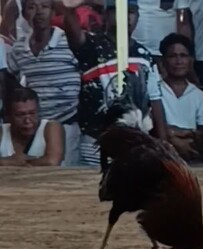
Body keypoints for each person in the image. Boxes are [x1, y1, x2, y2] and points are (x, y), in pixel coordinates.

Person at [62, 0, 168, 166]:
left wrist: (163, 144)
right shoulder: (91, 47)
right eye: (118, 11)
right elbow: (72, 31)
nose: (126, 16)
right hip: (95, 143)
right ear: (106, 15)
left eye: (131, 11)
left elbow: (155, 100)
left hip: (135, 145)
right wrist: (71, 9)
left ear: (138, 17)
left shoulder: (144, 55)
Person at [7, 0, 82, 165]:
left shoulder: (67, 41)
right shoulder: (19, 48)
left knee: (66, 179)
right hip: (35, 128)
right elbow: (10, 80)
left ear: (53, 12)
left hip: (66, 123)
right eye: (32, 7)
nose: (39, 12)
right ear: (25, 15)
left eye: (45, 6)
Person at [159, 33, 203, 162]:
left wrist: (186, 134)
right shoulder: (154, 91)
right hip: (161, 155)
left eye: (183, 56)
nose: (179, 61)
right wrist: (172, 140)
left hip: (191, 153)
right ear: (163, 61)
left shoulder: (198, 95)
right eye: (172, 56)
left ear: (191, 60)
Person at [0, 87, 64, 166]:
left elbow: (52, 162)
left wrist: (10, 162)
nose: (27, 121)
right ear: (7, 116)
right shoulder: (2, 132)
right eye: (20, 115)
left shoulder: (50, 127)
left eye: (32, 113)